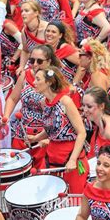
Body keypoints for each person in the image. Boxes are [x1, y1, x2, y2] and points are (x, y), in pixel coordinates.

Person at [32, 66, 89, 194]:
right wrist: (36, 138)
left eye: (38, 79)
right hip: (53, 158)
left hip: (71, 157)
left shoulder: (65, 102)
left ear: (49, 82)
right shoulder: (43, 102)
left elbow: (81, 132)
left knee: (74, 200)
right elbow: (52, 129)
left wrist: (73, 160)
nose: (34, 82)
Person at [4, 45, 62, 170]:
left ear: (49, 62)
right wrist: (6, 116)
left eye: (39, 61)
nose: (34, 64)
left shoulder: (56, 81)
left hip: (44, 137)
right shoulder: (25, 75)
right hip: (22, 133)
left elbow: (60, 114)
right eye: (31, 60)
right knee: (17, 169)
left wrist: (48, 137)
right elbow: (13, 98)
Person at [76, 39, 110, 120]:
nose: (78, 57)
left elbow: (101, 102)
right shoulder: (98, 71)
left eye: (81, 54)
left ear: (89, 58)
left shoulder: (96, 75)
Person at [18, 0, 47, 74]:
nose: (23, 13)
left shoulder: (47, 29)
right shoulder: (24, 32)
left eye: (26, 11)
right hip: (34, 65)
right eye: (22, 11)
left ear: (36, 13)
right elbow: (25, 50)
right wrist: (21, 66)